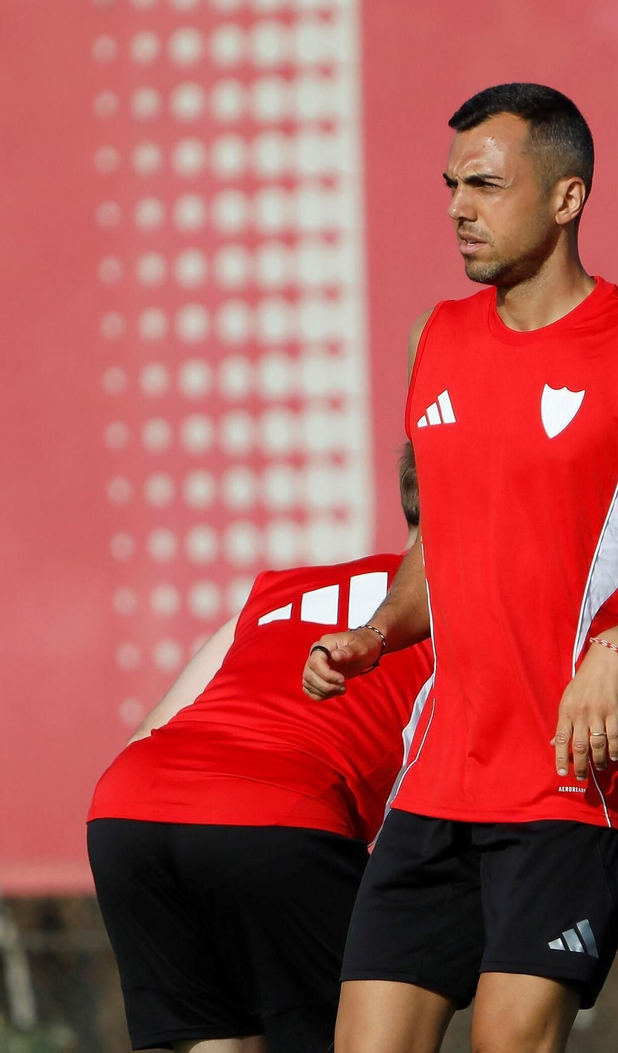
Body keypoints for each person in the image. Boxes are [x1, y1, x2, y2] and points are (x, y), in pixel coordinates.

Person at [299, 83, 618, 1053]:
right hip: (437, 779)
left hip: (572, 775)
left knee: (508, 1043)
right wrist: (377, 632)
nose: (457, 208)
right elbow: (445, 542)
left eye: (483, 184)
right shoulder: (435, 338)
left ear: (566, 198)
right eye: (449, 186)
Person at [86, 445, 436, 1052]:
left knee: (222, 1041)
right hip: (277, 815)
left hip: (130, 808)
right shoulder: (466, 606)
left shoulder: (279, 590)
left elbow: (150, 730)